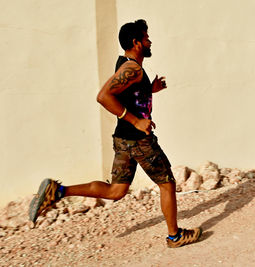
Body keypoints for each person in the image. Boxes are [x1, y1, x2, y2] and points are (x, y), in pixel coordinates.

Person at [28, 19, 202, 248]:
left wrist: (151, 89)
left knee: (116, 190)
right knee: (167, 183)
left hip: (123, 140)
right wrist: (136, 121)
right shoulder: (132, 68)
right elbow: (103, 97)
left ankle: (58, 190)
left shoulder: (127, 65)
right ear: (136, 42)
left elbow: (127, 94)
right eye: (147, 38)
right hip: (139, 140)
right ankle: (174, 235)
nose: (150, 42)